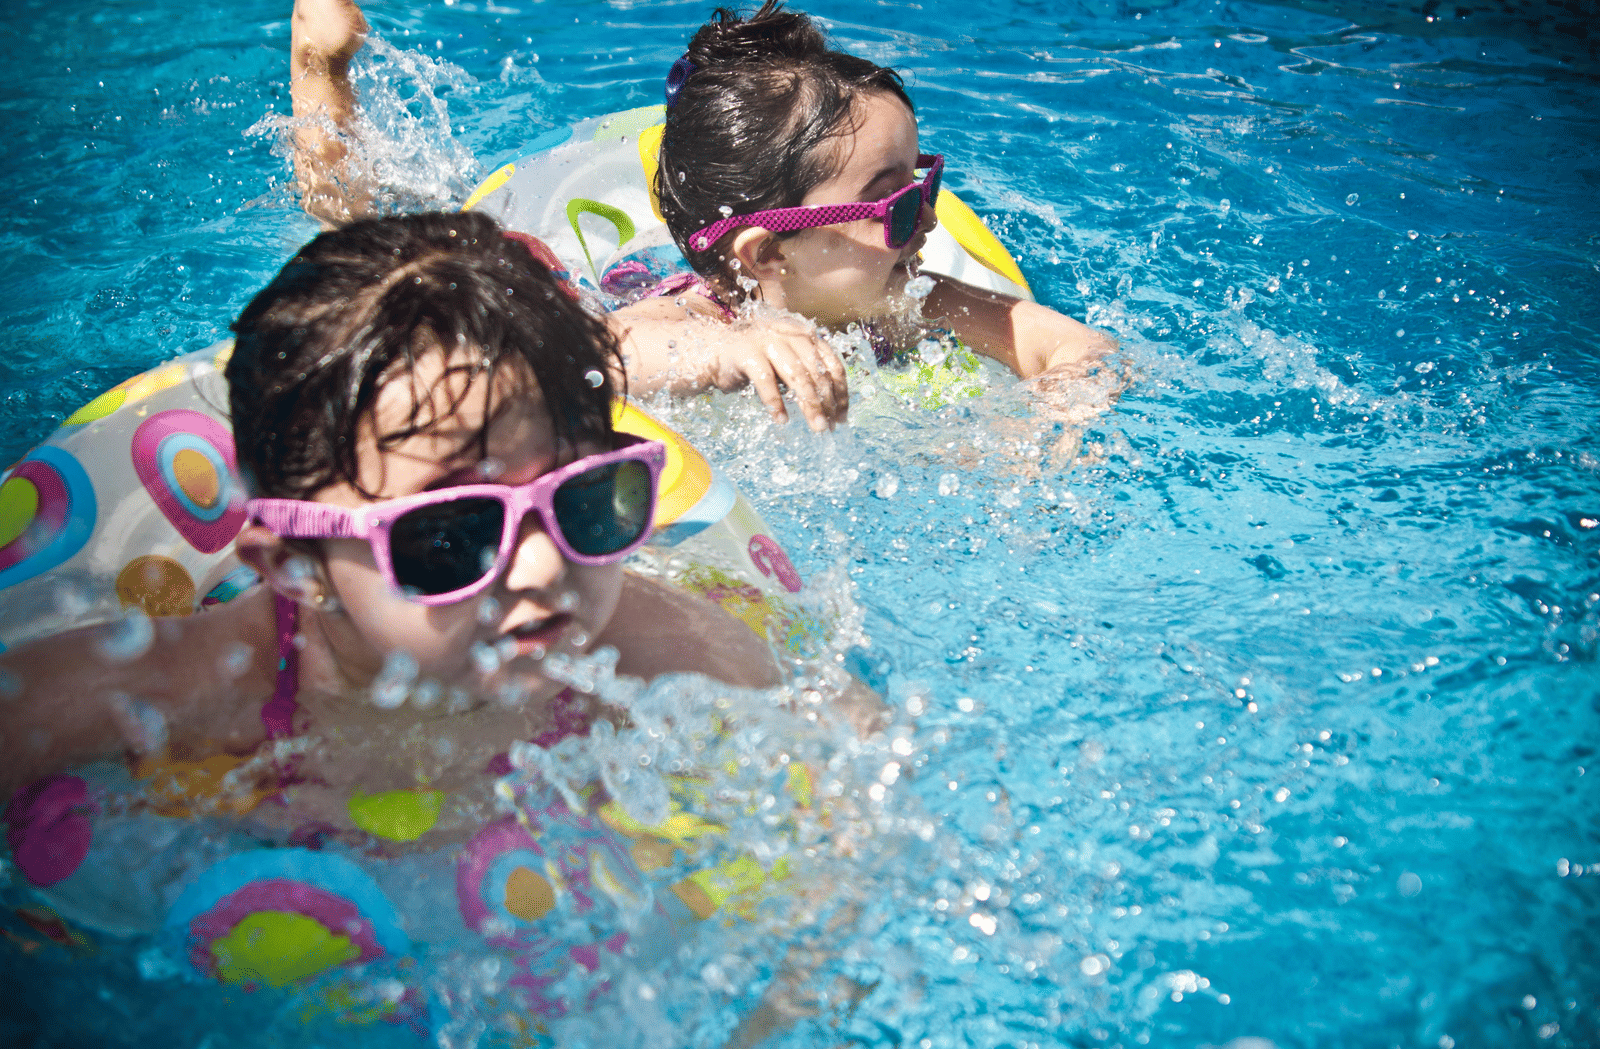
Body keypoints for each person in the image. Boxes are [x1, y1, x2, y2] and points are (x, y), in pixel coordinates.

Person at [0, 212, 836, 831]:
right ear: (298, 565)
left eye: (585, 498)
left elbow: (846, 774)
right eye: (452, 535)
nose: (544, 569)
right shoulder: (192, 687)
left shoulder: (654, 646)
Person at [286, 0, 1117, 433]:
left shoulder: (915, 300)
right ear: (765, 255)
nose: (928, 225)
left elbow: (1065, 343)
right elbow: (594, 361)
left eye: (926, 187)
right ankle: (321, 70)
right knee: (369, 245)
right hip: (595, 286)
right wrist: (728, 346)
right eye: (896, 207)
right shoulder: (694, 312)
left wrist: (1064, 413)